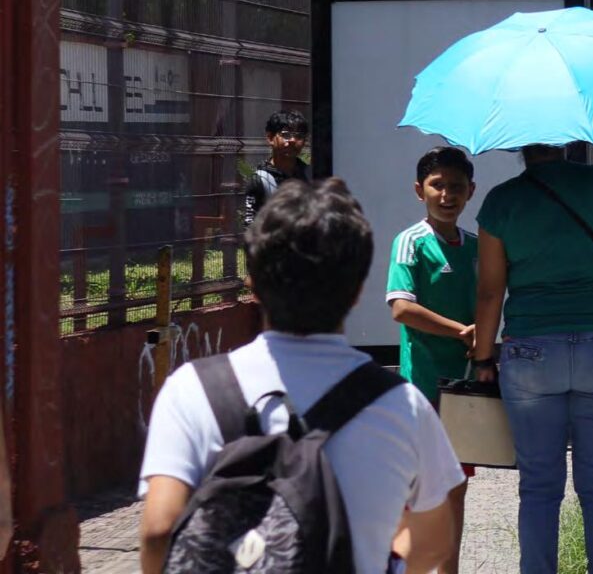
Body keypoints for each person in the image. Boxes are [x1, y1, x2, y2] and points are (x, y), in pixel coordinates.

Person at [138, 179, 464, 574]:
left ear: (254, 285)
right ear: (358, 291)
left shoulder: (192, 389)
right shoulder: (402, 405)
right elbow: (434, 541)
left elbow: (158, 531)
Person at [473, 144, 593, 574]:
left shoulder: (501, 200)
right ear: (567, 139)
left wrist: (483, 358)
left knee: (538, 486)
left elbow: (491, 291)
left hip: (531, 349)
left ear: (520, 145)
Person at [386, 147, 479, 573]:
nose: (447, 195)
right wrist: (461, 331)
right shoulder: (411, 242)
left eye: (456, 186)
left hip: (465, 387)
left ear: (470, 191)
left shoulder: (477, 246)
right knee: (416, 490)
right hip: (422, 387)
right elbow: (401, 308)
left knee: (456, 487)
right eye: (437, 185)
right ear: (418, 190)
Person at [243, 109, 311, 227]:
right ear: (270, 138)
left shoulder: (310, 174)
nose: (293, 140)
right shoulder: (260, 180)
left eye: (299, 136)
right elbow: (250, 225)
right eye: (286, 135)